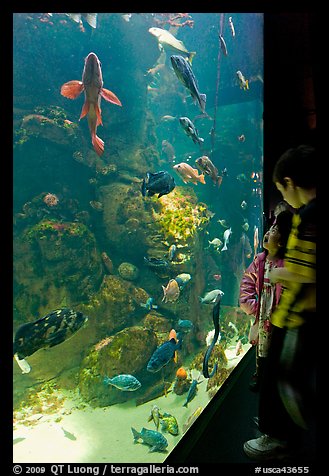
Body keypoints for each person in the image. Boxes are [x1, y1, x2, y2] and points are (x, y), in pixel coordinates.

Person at [243, 144, 316, 461]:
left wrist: (281, 271)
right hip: (294, 317)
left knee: (285, 377)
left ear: (289, 183)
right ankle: (281, 428)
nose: (283, 197)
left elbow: (305, 270)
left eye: (280, 190)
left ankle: (284, 438)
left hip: (298, 316)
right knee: (278, 373)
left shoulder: (311, 214)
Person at [239, 209, 293, 391]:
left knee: (277, 347)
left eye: (274, 231)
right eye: (269, 230)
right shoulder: (259, 261)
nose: (268, 233)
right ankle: (260, 374)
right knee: (261, 348)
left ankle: (275, 377)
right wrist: (251, 306)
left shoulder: (285, 264)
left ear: (282, 242)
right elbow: (247, 282)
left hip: (278, 315)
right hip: (261, 314)